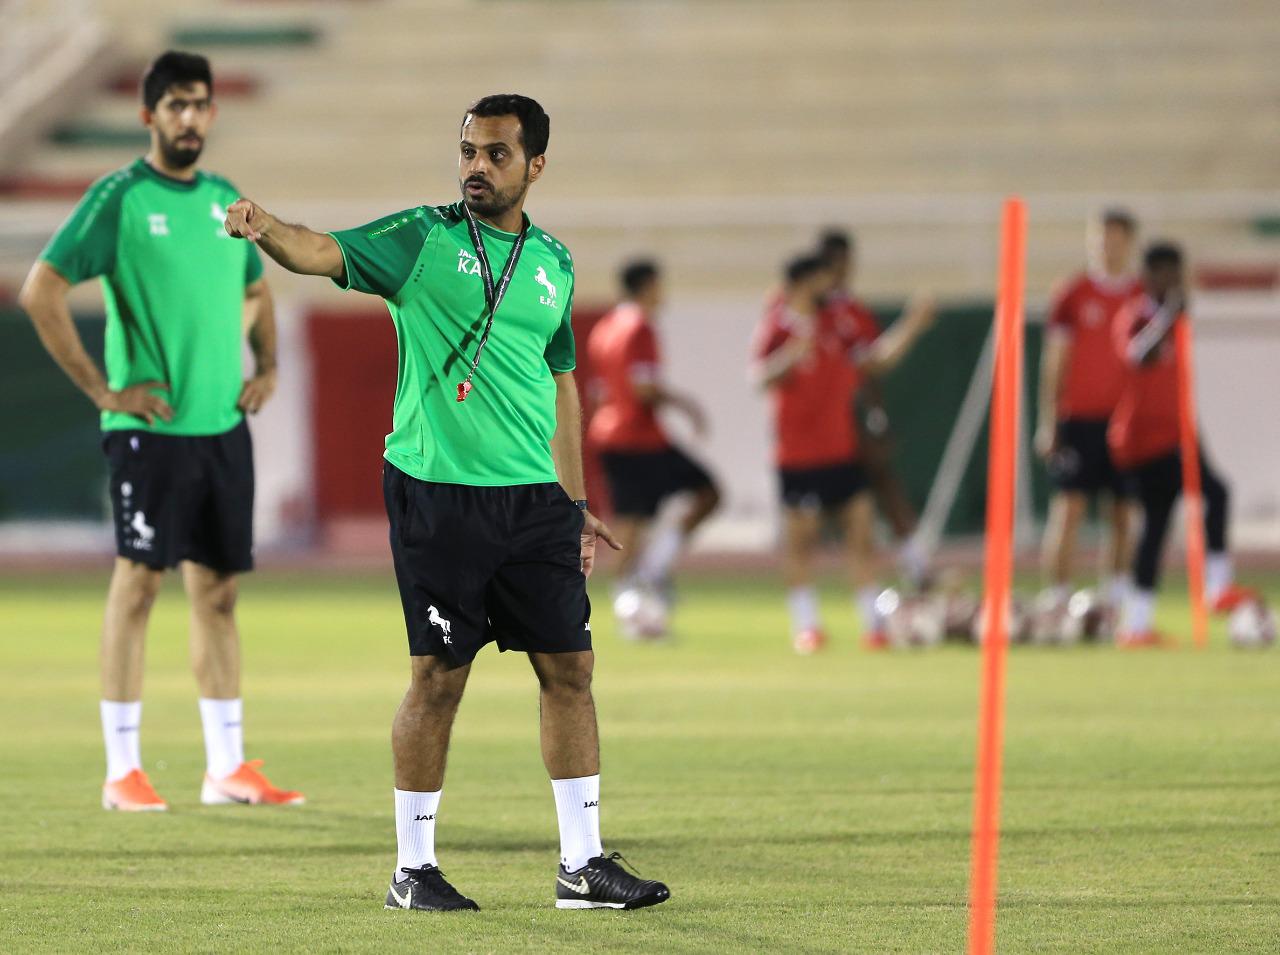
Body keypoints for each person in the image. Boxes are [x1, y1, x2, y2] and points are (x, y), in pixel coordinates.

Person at [223, 94, 670, 912]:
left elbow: (561, 380)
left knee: (570, 669)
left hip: (534, 498)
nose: (475, 166)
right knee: (439, 678)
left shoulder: (555, 264)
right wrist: (265, 226)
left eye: (496, 154)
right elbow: (321, 250)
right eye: (467, 151)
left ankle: (583, 865)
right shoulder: (421, 239)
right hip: (439, 493)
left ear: (535, 166)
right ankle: (413, 869)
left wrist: (574, 499)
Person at [17, 51, 301, 811]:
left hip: (221, 427)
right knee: (137, 584)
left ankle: (227, 767)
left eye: (200, 104)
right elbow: (40, 290)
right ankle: (121, 771)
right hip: (148, 428)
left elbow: (256, 287)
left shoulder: (225, 200)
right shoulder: (118, 197)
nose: (190, 117)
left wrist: (267, 365)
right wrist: (103, 390)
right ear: (149, 116)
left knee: (218, 594)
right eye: (175, 104)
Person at [751, 254, 935, 654]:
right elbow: (758, 377)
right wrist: (789, 358)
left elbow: (876, 360)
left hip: (841, 451)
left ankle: (872, 623)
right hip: (797, 456)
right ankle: (807, 625)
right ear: (801, 285)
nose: (829, 289)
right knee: (802, 542)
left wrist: (912, 326)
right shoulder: (778, 327)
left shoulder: (838, 324)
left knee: (860, 533)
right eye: (821, 281)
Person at [1108, 241, 1256, 647]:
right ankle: (1204, 593)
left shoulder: (1178, 324)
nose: (1173, 281)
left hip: (1177, 437)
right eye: (1165, 273)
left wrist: (1196, 437)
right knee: (1169, 517)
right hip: (1143, 442)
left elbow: (1178, 389)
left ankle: (1146, 619)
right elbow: (1140, 357)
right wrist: (1169, 317)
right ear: (1148, 277)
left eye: (1178, 273)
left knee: (1189, 508)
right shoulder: (1136, 316)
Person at [585, 259, 720, 636]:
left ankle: (635, 590)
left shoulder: (605, 327)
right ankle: (640, 586)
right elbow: (644, 388)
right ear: (646, 286)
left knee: (632, 519)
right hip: (638, 437)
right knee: (706, 493)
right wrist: (687, 407)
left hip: (612, 434)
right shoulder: (639, 327)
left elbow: (597, 390)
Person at [1034, 209, 1143, 628]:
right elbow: (1055, 362)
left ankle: (1114, 598)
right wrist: (1049, 421)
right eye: (1099, 237)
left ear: (1128, 242)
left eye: (1114, 238)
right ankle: (1058, 599)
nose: (1106, 246)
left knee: (1122, 512)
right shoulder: (1073, 294)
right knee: (1069, 509)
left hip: (1125, 422)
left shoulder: (1140, 294)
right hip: (1079, 419)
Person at [816, 229, 931, 588]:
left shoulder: (853, 311)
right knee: (814, 514)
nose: (842, 271)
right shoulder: (804, 307)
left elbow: (870, 368)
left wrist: (877, 415)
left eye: (846, 263)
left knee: (881, 488)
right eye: (835, 263)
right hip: (816, 423)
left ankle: (913, 566)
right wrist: (911, 326)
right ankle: (809, 594)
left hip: (849, 418)